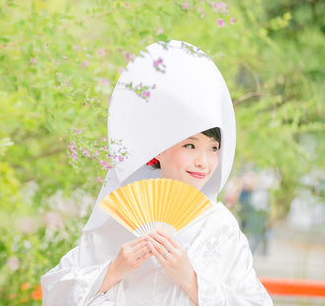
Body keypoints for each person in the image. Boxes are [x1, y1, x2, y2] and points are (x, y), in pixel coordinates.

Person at [41, 40, 273, 305]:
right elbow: (56, 291)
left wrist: (190, 279)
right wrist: (113, 271)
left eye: (213, 148)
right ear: (158, 149)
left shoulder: (219, 227)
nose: (204, 162)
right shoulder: (120, 216)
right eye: (190, 145)